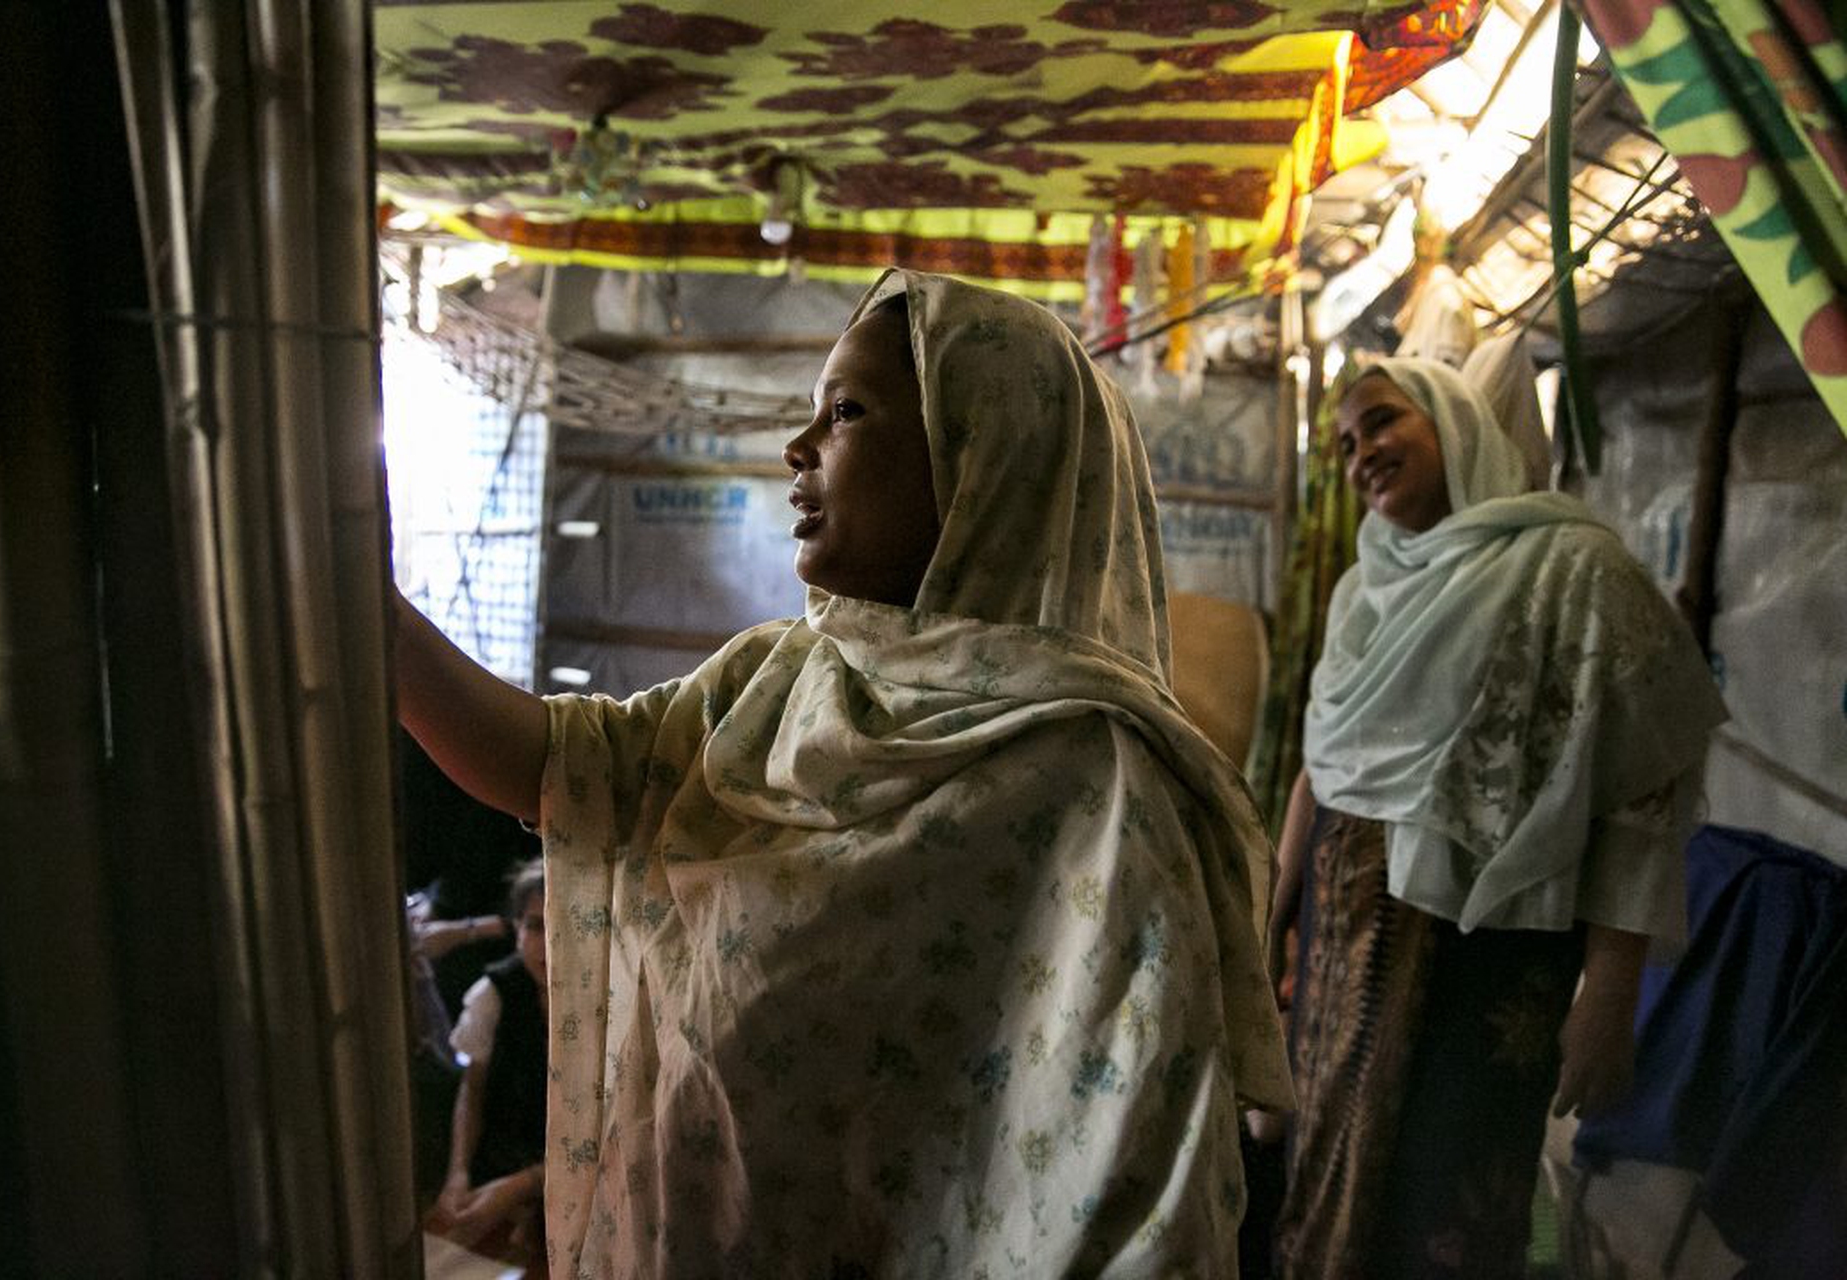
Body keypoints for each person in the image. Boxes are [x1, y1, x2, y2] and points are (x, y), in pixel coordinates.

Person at [394, 268, 1293, 1277]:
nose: (798, 447)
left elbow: (1132, 1191)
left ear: (978, 458)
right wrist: (366, 611)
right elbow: (560, 765)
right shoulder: (767, 688)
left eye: (847, 413)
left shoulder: (1092, 782)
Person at [1267, 357, 1726, 1279]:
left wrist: (1607, 993)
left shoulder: (1573, 570)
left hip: (1485, 954)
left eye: (1385, 423)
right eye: (1348, 442)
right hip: (1342, 934)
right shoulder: (1369, 588)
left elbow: (1643, 794)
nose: (1363, 454)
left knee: (1449, 1192)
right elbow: (1324, 765)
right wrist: (1274, 913)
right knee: (1320, 1163)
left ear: (1458, 424)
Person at [429, 860, 549, 1264]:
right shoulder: (493, 994)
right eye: (535, 926)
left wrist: (522, 1186)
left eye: (562, 926)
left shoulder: (610, 999)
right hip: (504, 1160)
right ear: (516, 929)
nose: (547, 945)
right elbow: (473, 1088)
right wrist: (457, 1173)